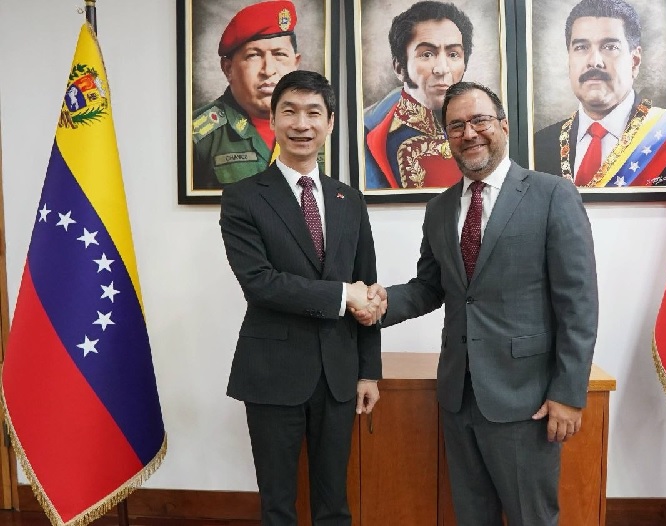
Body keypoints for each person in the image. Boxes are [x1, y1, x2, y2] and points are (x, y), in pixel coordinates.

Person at [356, 82, 598, 526]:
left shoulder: (552, 195)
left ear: (503, 126)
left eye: (479, 120)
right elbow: (431, 287)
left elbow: (578, 303)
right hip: (458, 395)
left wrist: (567, 394)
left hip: (526, 399)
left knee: (532, 518)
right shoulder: (439, 208)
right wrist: (384, 302)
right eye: (456, 126)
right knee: (471, 517)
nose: (469, 133)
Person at [220, 70, 385, 526]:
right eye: (289, 111)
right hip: (272, 373)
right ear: (273, 119)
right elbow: (260, 282)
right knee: (278, 506)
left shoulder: (350, 200)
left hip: (338, 375)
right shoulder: (243, 198)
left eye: (313, 113)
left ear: (329, 123)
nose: (301, 123)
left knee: (334, 505)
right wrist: (343, 295)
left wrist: (368, 371)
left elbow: (367, 289)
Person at [533, 0, 666, 188]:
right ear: (569, 60)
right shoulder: (539, 145)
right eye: (581, 47)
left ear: (635, 61)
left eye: (610, 47)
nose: (594, 61)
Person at [364, 1, 473, 190]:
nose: (442, 69)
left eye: (453, 54)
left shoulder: (481, 123)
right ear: (399, 67)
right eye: (427, 54)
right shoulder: (374, 134)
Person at [193, 0, 301, 190]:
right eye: (254, 55)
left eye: (279, 55)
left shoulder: (318, 128)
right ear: (228, 68)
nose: (268, 70)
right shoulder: (197, 136)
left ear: (296, 63)